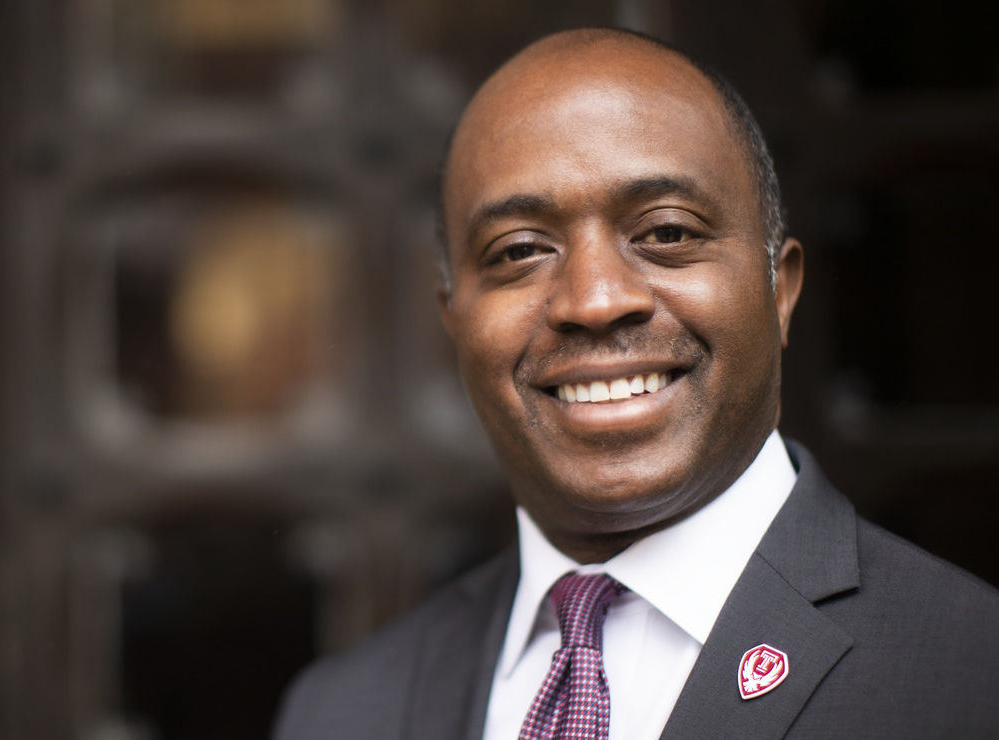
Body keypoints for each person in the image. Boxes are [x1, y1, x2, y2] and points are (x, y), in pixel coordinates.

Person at [273, 28, 999, 740]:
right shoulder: (340, 711)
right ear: (453, 321)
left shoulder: (971, 675)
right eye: (519, 250)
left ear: (778, 290)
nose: (592, 301)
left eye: (667, 233)